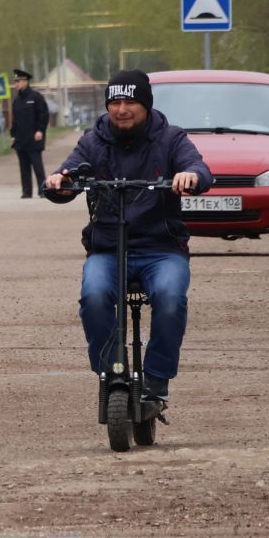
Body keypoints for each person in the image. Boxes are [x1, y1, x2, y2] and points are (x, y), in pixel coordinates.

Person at [44, 70, 210, 408]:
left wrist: (189, 176)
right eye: (115, 102)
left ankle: (157, 382)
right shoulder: (94, 140)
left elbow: (200, 170)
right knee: (92, 296)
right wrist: (59, 182)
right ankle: (110, 374)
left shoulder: (171, 139)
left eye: (130, 101)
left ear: (146, 104)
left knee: (168, 297)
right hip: (107, 249)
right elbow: (70, 174)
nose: (122, 109)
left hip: (161, 249)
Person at [10, 67, 51, 198]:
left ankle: (42, 189)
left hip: (34, 138)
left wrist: (40, 130)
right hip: (21, 139)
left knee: (37, 166)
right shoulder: (17, 100)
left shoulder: (36, 97)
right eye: (15, 81)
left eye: (18, 81)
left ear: (25, 81)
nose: (16, 84)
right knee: (24, 167)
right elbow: (15, 120)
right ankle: (26, 191)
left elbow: (43, 115)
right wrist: (13, 135)